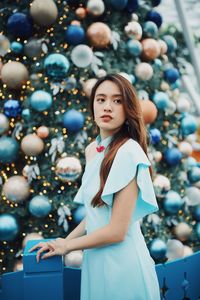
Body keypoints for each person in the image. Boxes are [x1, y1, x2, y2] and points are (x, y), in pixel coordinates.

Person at [29, 74, 161, 300]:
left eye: (117, 101)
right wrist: (63, 242)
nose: (107, 107)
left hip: (123, 267)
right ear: (92, 106)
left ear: (128, 107)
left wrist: (68, 247)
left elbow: (117, 231)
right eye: (101, 99)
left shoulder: (129, 152)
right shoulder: (93, 150)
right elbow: (96, 215)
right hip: (95, 263)